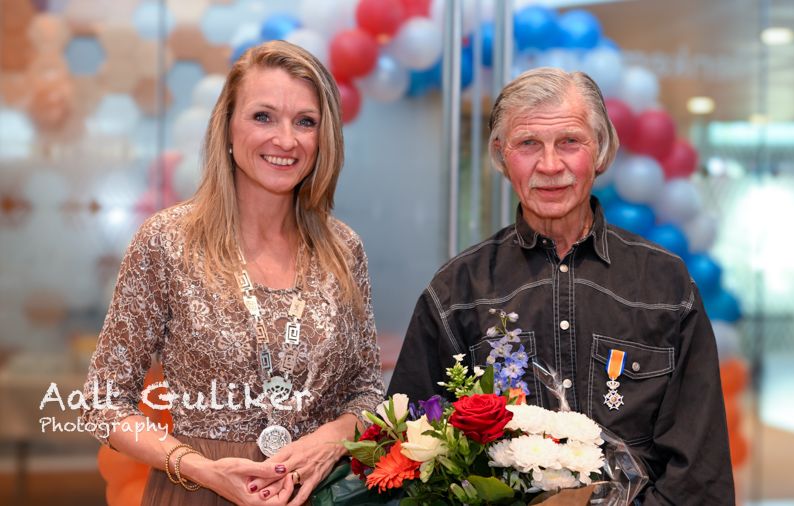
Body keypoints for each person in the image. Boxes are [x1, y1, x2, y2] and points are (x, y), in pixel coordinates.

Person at [388, 67, 734, 505]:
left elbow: (700, 476)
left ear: (603, 150)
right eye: (528, 144)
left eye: (570, 142)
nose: (550, 165)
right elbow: (406, 459)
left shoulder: (666, 286)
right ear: (500, 155)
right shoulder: (457, 292)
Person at [81, 40, 383, 506]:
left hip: (320, 491)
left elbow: (365, 388)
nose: (285, 140)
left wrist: (334, 438)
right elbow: (103, 402)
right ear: (226, 127)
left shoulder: (343, 249)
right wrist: (199, 467)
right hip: (199, 489)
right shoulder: (167, 241)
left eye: (305, 122)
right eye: (263, 116)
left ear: (325, 139)